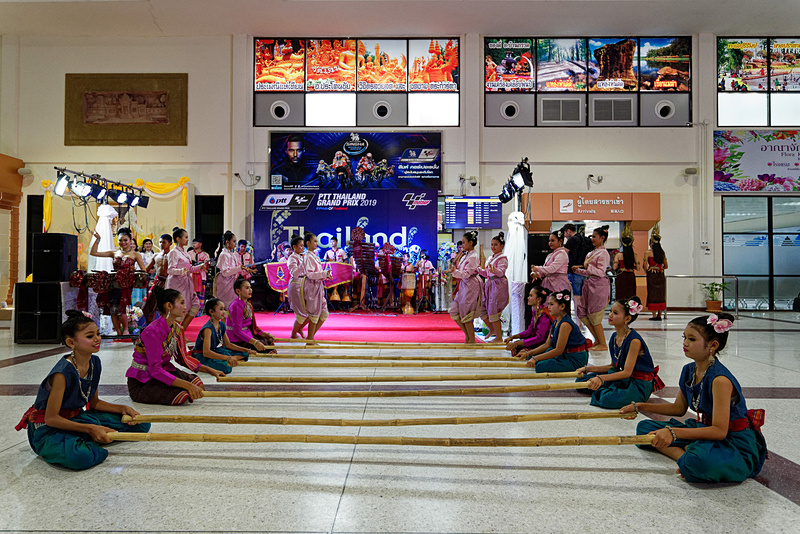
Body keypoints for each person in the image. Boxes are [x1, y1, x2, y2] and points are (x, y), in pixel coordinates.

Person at [623, 314, 767, 484]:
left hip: (732, 441)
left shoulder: (720, 380)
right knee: (644, 428)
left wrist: (673, 433)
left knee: (697, 461)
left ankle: (691, 458)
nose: (685, 343)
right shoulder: (689, 370)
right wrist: (640, 406)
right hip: (704, 429)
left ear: (713, 345)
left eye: (691, 339)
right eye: (685, 337)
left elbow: (720, 431)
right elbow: (678, 408)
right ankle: (686, 457)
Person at [15, 311, 150, 470]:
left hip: (77, 417)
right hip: (47, 428)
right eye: (90, 336)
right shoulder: (62, 373)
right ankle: (84, 440)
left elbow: (94, 403)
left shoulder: (95, 362)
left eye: (98, 334)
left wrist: (122, 408)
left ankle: (83, 437)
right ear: (71, 342)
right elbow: (51, 419)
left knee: (140, 425)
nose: (97, 339)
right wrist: (91, 428)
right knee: (80, 456)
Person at [126, 286, 224, 406]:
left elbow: (183, 358)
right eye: (182, 303)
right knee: (182, 394)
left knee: (197, 383)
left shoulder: (177, 328)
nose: (185, 307)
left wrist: (211, 370)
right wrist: (187, 385)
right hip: (143, 380)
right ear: (169, 306)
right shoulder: (152, 331)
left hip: (163, 371)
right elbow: (155, 369)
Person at [576, 297, 664, 408]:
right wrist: (588, 369)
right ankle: (608, 388)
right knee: (582, 381)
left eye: (615, 313)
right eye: (611, 311)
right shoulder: (614, 337)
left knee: (606, 399)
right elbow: (613, 366)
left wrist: (601, 378)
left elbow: (626, 372)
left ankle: (609, 389)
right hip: (624, 377)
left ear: (627, 319)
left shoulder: (634, 341)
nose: (610, 315)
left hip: (638, 383)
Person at [90, 227, 147, 335]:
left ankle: (125, 330)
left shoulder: (136, 255)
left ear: (130, 240)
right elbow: (94, 253)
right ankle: (118, 332)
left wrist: (133, 271)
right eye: (120, 240)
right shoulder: (114, 253)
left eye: (125, 240)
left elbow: (143, 270)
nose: (123, 242)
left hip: (126, 284)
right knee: (112, 308)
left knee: (121, 308)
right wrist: (97, 240)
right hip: (113, 283)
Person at [524, 290, 589, 373]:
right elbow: (547, 345)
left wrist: (535, 358)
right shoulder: (555, 321)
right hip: (564, 355)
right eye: (548, 304)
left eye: (551, 304)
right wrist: (528, 354)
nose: (548, 307)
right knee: (532, 357)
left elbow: (558, 350)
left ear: (562, 306)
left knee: (540, 365)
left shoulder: (565, 324)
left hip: (573, 359)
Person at [572, 225, 611, 352]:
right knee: (582, 312)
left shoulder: (603, 253)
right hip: (589, 285)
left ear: (602, 238)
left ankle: (603, 343)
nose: (592, 239)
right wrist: (578, 270)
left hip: (599, 286)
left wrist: (586, 266)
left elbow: (600, 272)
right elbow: (590, 271)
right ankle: (597, 340)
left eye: (595, 237)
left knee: (595, 314)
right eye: (592, 236)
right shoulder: (592, 253)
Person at [193, 298, 255, 375]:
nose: (224, 312)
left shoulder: (221, 325)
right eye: (221, 309)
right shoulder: (208, 329)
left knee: (244, 354)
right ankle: (227, 361)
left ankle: (228, 360)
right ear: (211, 312)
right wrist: (228, 358)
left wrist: (247, 350)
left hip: (214, 351)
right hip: (202, 356)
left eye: (224, 309)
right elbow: (206, 352)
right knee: (226, 368)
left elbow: (228, 344)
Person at [166, 227, 208, 330]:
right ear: (178, 239)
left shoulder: (185, 253)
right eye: (185, 237)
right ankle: (174, 334)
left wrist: (200, 266)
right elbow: (170, 270)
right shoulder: (174, 252)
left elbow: (189, 269)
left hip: (186, 283)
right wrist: (181, 271)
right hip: (177, 284)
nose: (187, 240)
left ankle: (180, 332)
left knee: (195, 305)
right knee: (178, 310)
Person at [447, 231, 482, 344]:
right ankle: (468, 336)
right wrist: (454, 271)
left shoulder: (473, 256)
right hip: (464, 285)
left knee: (467, 315)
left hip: (470, 285)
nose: (462, 245)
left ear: (471, 243)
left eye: (463, 242)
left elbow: (466, 274)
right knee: (454, 311)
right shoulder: (466, 255)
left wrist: (455, 272)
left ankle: (472, 341)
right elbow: (462, 273)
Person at [227, 278, 276, 352]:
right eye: (247, 288)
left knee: (268, 341)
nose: (250, 290)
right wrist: (255, 342)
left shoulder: (248, 305)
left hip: (246, 335)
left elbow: (253, 328)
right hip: (236, 339)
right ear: (238, 291)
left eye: (250, 287)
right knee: (267, 349)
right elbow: (237, 331)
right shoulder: (236, 306)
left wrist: (266, 335)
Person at [300, 231, 332, 341]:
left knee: (324, 313)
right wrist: (323, 274)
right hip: (312, 287)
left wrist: (326, 275)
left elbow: (317, 273)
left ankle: (310, 337)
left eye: (317, 241)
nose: (316, 244)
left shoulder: (314, 256)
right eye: (314, 241)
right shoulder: (308, 256)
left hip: (318, 286)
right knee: (314, 314)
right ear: (308, 243)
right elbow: (309, 274)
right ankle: (310, 339)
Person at [478, 232, 509, 342]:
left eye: (496, 244)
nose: (493, 247)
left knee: (493, 310)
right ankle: (492, 329)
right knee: (482, 309)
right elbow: (487, 274)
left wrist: (493, 270)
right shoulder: (491, 258)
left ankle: (499, 337)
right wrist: (478, 269)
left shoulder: (503, 258)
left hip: (498, 285)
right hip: (490, 284)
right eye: (492, 244)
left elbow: (500, 272)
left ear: (502, 246)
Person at [505, 286, 552, 358]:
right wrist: (513, 337)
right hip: (539, 342)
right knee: (516, 349)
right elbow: (530, 331)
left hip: (544, 345)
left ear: (538, 299)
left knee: (521, 351)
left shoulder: (544, 316)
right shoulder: (536, 312)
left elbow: (540, 338)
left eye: (531, 296)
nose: (528, 298)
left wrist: (518, 343)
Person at [214, 231, 251, 308]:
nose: (235, 244)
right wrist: (239, 268)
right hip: (225, 282)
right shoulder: (224, 254)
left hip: (231, 281)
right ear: (227, 242)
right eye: (234, 241)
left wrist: (245, 270)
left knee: (232, 304)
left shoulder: (232, 254)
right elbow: (225, 273)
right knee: (226, 306)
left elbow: (236, 268)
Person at [143, 233, 172, 324]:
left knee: (165, 308)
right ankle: (150, 325)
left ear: (170, 243)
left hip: (169, 283)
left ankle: (166, 327)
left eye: (163, 242)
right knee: (147, 307)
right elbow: (147, 269)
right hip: (157, 282)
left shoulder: (173, 255)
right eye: (160, 242)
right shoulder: (156, 255)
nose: (161, 244)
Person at [530, 229, 570, 294]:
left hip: (559, 283)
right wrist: (535, 273)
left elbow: (552, 269)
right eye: (549, 241)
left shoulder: (562, 254)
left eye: (552, 240)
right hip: (548, 284)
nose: (550, 243)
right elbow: (544, 271)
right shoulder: (550, 255)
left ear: (560, 241)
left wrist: (537, 268)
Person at [563, 223, 589, 318]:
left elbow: (563, 253)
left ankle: (579, 321)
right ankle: (582, 318)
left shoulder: (572, 240)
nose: (565, 236)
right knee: (582, 297)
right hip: (584, 271)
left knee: (576, 297)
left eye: (565, 233)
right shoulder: (584, 239)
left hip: (574, 271)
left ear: (569, 231)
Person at [644, 225, 668, 320]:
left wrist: (648, 271)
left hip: (652, 275)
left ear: (651, 243)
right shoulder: (662, 253)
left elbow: (644, 265)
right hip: (660, 274)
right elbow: (666, 266)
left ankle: (653, 315)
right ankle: (659, 315)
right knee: (661, 294)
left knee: (652, 294)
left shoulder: (648, 253)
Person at [288, 235, 308, 338]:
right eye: (300, 246)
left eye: (303, 246)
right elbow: (295, 273)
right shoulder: (292, 257)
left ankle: (299, 329)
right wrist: (304, 262)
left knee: (312, 312)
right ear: (294, 247)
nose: (302, 248)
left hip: (304, 284)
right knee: (301, 313)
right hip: (296, 284)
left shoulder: (301, 256)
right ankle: (294, 333)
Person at [614, 230, 639, 301]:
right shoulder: (634, 255)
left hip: (621, 276)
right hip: (631, 275)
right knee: (630, 294)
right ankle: (631, 310)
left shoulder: (618, 255)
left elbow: (614, 267)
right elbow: (638, 268)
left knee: (621, 294)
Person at [188, 238, 210, 302]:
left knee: (200, 296)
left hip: (201, 277)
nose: (193, 245)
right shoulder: (189, 253)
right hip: (191, 277)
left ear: (200, 244)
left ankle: (199, 310)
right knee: (190, 295)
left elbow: (207, 266)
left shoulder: (205, 254)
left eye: (195, 243)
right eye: (193, 243)